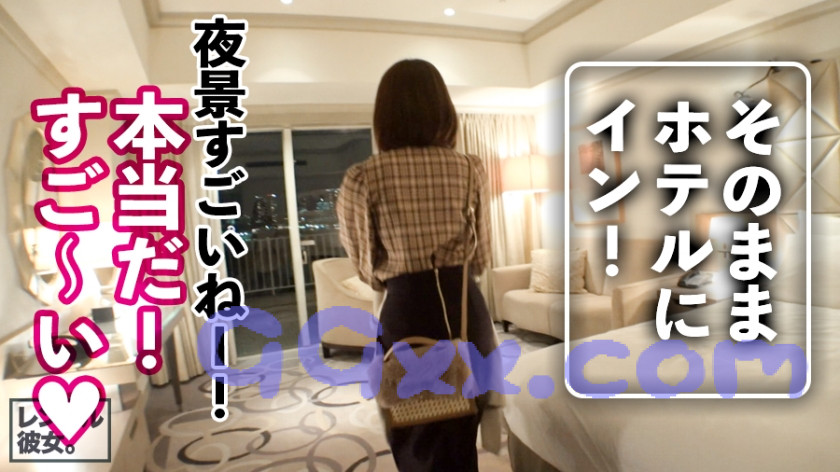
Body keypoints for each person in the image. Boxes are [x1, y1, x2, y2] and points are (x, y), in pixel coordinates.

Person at [336, 58, 496, 471]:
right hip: (465, 310)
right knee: (462, 427)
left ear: (384, 116)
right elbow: (481, 257)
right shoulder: (470, 168)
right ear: (444, 111)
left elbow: (365, 267)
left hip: (407, 314)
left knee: (416, 434)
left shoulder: (363, 177)